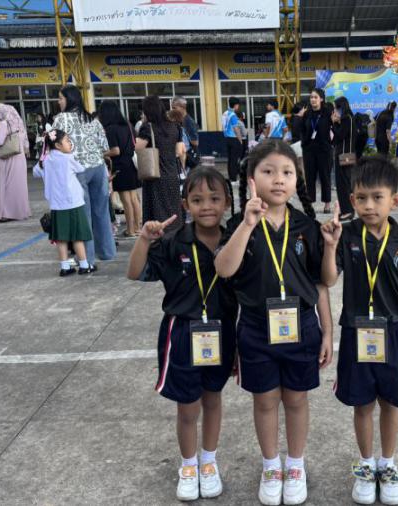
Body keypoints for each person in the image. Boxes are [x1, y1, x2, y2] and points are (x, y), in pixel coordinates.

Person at [214, 141, 333, 506]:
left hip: (302, 326)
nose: (278, 180)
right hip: (255, 327)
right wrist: (248, 224)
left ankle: (294, 465)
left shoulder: (306, 226)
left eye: (287, 172)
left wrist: (328, 332)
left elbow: (323, 283)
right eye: (268, 172)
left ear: (297, 180)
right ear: (251, 178)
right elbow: (224, 269)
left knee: (296, 399)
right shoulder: (239, 224)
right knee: (265, 401)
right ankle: (271, 466)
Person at [319, 155, 398, 506]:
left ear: (394, 200)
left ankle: (388, 464)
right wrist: (330, 246)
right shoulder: (346, 234)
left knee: (391, 402)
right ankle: (366, 465)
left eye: (377, 197)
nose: (369, 206)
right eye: (362, 198)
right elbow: (328, 280)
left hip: (393, 332)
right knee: (362, 403)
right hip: (356, 333)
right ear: (351, 199)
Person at [126, 168, 236, 502]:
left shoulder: (236, 240)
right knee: (187, 407)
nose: (207, 206)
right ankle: (189, 465)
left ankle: (209, 462)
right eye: (198, 200)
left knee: (213, 398)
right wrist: (144, 239)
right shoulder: (173, 242)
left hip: (221, 330)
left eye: (215, 199)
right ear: (185, 204)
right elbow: (135, 273)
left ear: (227, 202)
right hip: (183, 332)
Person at [53, 85, 116, 262]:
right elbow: (105, 146)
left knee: (83, 215)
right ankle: (107, 252)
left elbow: (54, 146)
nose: (58, 102)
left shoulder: (61, 119)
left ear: (69, 99)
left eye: (60, 98)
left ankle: (87, 257)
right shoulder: (92, 119)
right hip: (98, 168)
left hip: (77, 171)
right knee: (102, 211)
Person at [33, 130, 94, 276]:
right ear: (58, 145)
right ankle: (84, 265)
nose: (70, 143)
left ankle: (65, 267)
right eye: (67, 140)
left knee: (61, 238)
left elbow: (35, 172)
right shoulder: (68, 158)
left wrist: (43, 157)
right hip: (73, 203)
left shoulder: (45, 160)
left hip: (56, 205)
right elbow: (81, 168)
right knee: (77, 236)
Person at [137, 95, 184, 234]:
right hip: (172, 175)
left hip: (155, 176)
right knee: (173, 211)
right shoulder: (175, 126)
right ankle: (175, 238)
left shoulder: (148, 127)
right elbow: (179, 151)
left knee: (157, 214)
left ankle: (159, 241)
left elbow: (138, 148)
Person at [98, 101, 141, 238]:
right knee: (134, 198)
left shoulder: (111, 129)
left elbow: (115, 150)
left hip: (120, 166)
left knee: (126, 200)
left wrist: (100, 154)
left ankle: (130, 230)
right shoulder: (127, 125)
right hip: (131, 164)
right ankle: (137, 228)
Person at [0, 104, 32, 223]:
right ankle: (20, 211)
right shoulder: (19, 123)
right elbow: (25, 143)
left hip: (7, 158)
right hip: (19, 156)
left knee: (6, 184)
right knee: (18, 185)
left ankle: (6, 213)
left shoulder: (4, 124)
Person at [295, 88, 334, 214]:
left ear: (321, 99)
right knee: (310, 177)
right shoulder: (307, 114)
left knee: (325, 177)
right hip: (309, 150)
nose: (313, 99)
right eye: (311, 97)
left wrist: (331, 142)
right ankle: (310, 203)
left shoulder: (327, 112)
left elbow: (335, 127)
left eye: (315, 97)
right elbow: (301, 129)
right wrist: (304, 143)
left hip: (324, 150)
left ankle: (327, 204)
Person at [331, 96, 356, 221]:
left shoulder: (347, 118)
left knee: (344, 184)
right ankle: (346, 209)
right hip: (343, 154)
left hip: (344, 155)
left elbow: (340, 135)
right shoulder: (347, 119)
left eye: (336, 107)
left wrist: (334, 123)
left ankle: (348, 211)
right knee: (343, 183)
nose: (335, 110)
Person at [222, 98, 243, 182]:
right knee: (234, 160)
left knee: (230, 159)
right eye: (238, 105)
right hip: (234, 139)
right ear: (236, 105)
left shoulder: (225, 113)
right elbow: (236, 128)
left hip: (227, 139)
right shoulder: (233, 115)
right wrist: (240, 139)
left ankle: (231, 177)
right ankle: (233, 179)